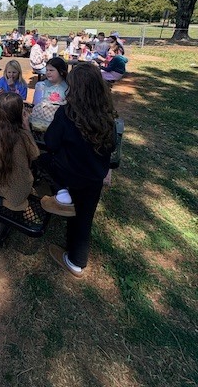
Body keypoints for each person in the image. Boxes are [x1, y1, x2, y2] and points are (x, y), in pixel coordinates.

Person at [39, 63, 117, 278]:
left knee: (43, 159)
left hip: (68, 174)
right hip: (93, 177)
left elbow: (51, 143)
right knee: (84, 218)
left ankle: (62, 193)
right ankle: (76, 261)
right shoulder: (107, 115)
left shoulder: (66, 113)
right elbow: (110, 146)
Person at [0, 93, 39, 211]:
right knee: (22, 203)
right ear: (18, 114)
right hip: (16, 191)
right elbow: (35, 154)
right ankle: (9, 203)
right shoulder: (21, 135)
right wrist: (27, 127)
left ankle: (1, 199)